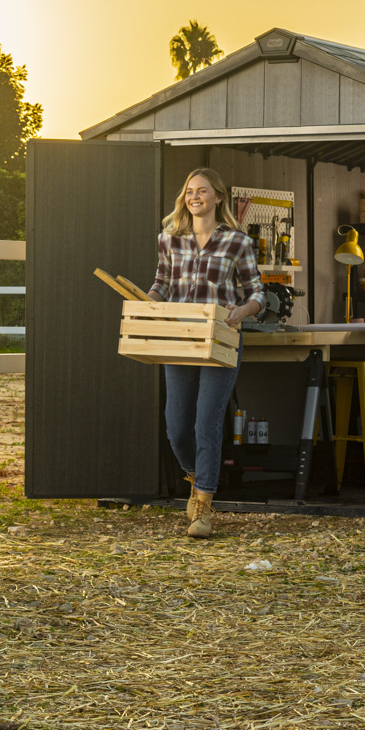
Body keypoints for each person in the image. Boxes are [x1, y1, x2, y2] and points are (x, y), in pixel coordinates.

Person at [147, 167, 263, 538]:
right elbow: (162, 284)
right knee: (178, 427)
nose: (194, 196)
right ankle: (199, 473)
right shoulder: (169, 239)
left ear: (217, 197)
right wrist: (145, 304)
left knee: (206, 423)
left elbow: (257, 292)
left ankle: (203, 505)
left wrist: (243, 311)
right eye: (189, 191)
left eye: (202, 190)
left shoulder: (237, 242)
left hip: (221, 338)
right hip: (179, 338)